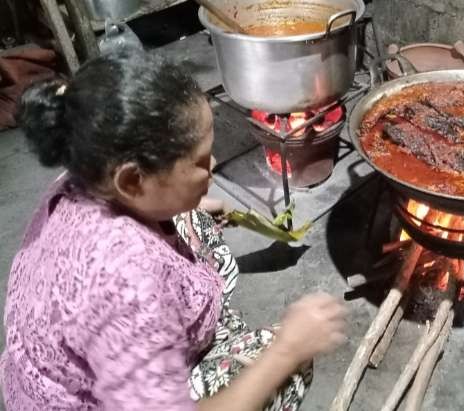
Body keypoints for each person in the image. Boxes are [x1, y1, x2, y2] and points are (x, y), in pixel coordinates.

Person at [0, 50, 347, 410]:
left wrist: (189, 205)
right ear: (133, 179)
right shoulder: (127, 283)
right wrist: (288, 350)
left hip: (75, 359)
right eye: (199, 162)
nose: (212, 167)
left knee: (192, 218)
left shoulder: (85, 176)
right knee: (287, 364)